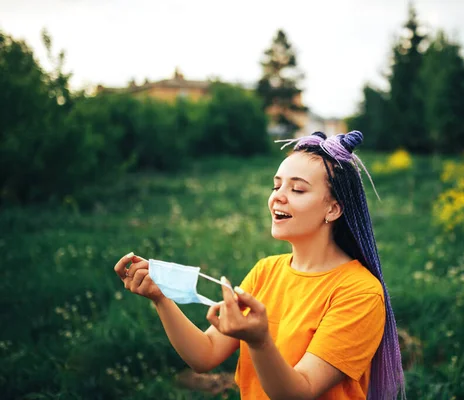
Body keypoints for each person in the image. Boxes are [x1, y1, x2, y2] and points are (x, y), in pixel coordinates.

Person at [113, 131, 406, 400]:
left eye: (298, 190)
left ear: (333, 209)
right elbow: (205, 355)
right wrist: (160, 298)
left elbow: (299, 392)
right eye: (276, 185)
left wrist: (259, 341)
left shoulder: (360, 293)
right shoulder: (266, 271)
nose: (277, 196)